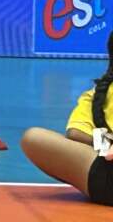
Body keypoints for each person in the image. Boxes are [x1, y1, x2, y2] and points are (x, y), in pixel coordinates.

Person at [21, 29, 113, 206]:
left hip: (103, 181)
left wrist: (106, 143)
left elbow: (76, 133)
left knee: (33, 137)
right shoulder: (99, 93)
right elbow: (75, 133)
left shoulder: (97, 92)